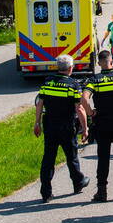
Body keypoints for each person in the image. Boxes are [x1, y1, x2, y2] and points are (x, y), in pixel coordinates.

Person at [34, 55, 90, 203]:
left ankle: (46, 192)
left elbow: (40, 103)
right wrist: (85, 128)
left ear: (57, 67)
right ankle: (78, 182)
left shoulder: (48, 82)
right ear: (71, 68)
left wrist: (37, 123)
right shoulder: (73, 85)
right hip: (66, 125)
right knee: (71, 156)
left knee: (48, 158)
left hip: (50, 124)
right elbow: (79, 109)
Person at [82, 50, 113, 202]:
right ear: (112, 61)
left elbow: (84, 98)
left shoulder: (94, 80)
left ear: (99, 64)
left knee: (103, 158)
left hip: (102, 124)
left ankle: (102, 192)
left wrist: (91, 113)